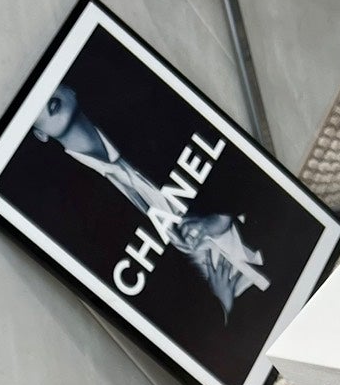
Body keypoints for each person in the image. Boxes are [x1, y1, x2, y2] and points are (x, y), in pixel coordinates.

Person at [31, 82, 268, 316]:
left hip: (267, 239)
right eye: (33, 102)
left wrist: (222, 217)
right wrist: (222, 308)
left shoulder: (146, 118)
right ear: (39, 134)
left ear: (70, 89)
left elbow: (233, 159)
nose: (45, 96)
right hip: (233, 316)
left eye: (49, 84)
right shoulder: (76, 211)